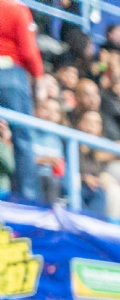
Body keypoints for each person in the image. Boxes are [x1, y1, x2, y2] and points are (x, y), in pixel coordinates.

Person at [0, 0, 40, 202]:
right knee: (23, 138)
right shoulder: (17, 10)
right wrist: (38, 75)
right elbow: (28, 52)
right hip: (10, 74)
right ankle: (27, 198)